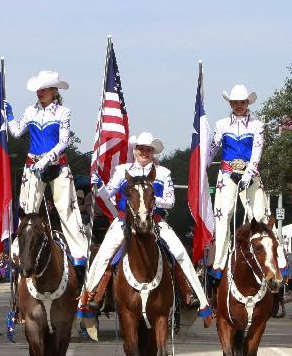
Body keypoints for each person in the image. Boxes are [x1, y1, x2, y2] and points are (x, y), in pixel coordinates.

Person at [78, 132, 213, 323]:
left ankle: (195, 296)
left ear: (152, 152)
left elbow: (170, 202)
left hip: (154, 220)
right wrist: (98, 187)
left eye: (148, 150)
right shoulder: (122, 170)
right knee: (104, 254)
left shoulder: (164, 172)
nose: (144, 152)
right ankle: (91, 296)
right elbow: (108, 195)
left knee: (180, 252)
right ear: (135, 151)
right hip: (125, 220)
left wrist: (149, 201)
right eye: (141, 149)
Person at [4, 70, 87, 279]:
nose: (39, 92)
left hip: (57, 165)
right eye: (38, 89)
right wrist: (9, 115)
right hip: (32, 165)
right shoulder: (30, 111)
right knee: (26, 210)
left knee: (66, 208)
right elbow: (16, 132)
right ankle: (18, 252)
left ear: (53, 91)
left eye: (44, 89)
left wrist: (47, 159)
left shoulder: (63, 112)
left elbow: (64, 141)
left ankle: (79, 255)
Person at [208, 85, 274, 278]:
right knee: (223, 215)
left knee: (260, 215)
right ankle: (219, 264)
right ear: (230, 103)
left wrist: (249, 173)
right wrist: (203, 165)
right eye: (235, 102)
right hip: (227, 173)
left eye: (242, 102)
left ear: (247, 103)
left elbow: (257, 150)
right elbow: (213, 147)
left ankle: (270, 259)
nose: (238, 106)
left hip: (249, 172)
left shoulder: (257, 124)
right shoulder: (221, 124)